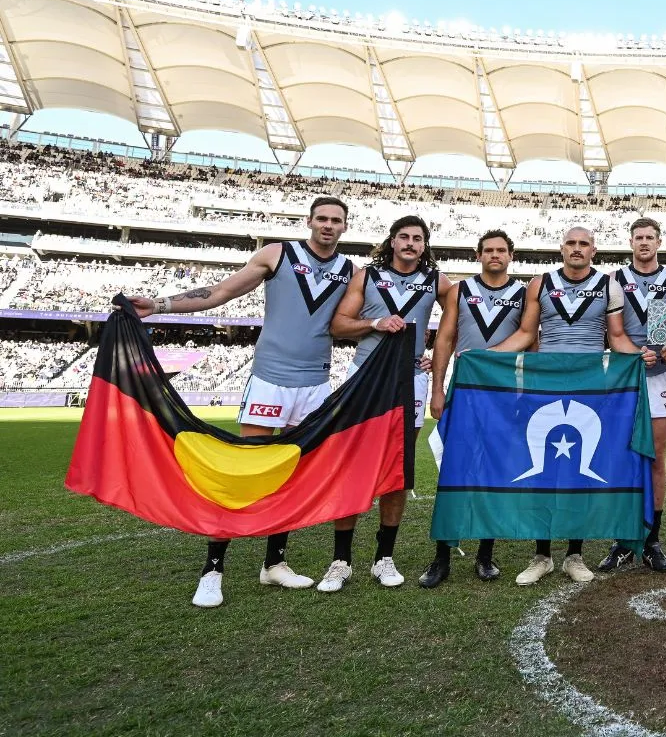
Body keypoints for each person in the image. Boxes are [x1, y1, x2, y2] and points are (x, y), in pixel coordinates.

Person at [130, 196, 354, 609]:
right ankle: (212, 571)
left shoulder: (349, 272)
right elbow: (221, 292)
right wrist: (161, 305)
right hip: (270, 381)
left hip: (316, 385)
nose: (327, 225)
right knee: (242, 473)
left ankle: (274, 564)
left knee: (291, 474)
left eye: (335, 220)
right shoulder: (277, 253)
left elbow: (359, 322)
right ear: (309, 221)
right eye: (321, 218)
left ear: (345, 227)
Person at [491, 227, 656, 586]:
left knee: (581, 467)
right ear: (561, 248)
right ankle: (542, 555)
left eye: (583, 243)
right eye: (571, 243)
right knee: (543, 470)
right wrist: (485, 357)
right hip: (544, 383)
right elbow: (525, 335)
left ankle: (574, 555)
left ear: (593, 250)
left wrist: (638, 353)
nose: (577, 249)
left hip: (590, 385)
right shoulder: (540, 283)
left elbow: (615, 337)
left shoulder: (608, 285)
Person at [323, 215, 452, 593]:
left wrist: (428, 354)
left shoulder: (437, 282)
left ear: (424, 245)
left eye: (418, 238)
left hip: (410, 378)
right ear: (392, 242)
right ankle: (341, 560)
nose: (411, 243)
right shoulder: (367, 275)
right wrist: (375, 323)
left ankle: (384, 557)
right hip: (366, 374)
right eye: (404, 237)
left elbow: (461, 320)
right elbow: (338, 324)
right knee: (352, 463)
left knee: (398, 466)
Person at [418, 229, 528, 588]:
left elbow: (531, 342)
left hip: (504, 396)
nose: (495, 255)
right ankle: (442, 556)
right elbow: (445, 339)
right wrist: (437, 389)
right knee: (454, 472)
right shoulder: (460, 290)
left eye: (501, 250)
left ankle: (485, 554)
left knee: (493, 474)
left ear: (510, 255)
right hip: (464, 393)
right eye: (488, 250)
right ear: (478, 255)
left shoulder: (523, 293)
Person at [598, 218, 666, 573]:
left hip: (659, 375)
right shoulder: (614, 280)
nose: (644, 243)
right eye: (639, 238)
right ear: (631, 242)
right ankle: (622, 540)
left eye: (650, 237)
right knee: (623, 456)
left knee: (656, 457)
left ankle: (651, 540)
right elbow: (612, 331)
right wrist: (636, 353)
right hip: (623, 374)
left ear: (659, 241)